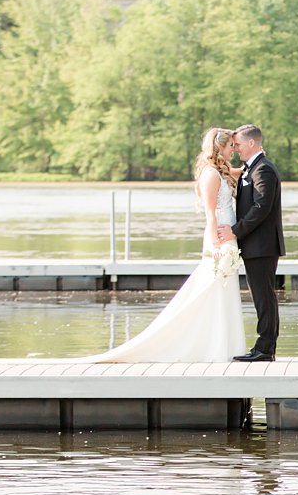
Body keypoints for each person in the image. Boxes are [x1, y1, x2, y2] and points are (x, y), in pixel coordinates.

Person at [86, 128, 247, 362]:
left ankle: (225, 345)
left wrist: (257, 157)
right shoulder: (210, 175)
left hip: (229, 236)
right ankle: (213, 347)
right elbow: (210, 215)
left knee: (224, 291)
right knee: (213, 290)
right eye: (231, 145)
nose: (234, 149)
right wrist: (216, 246)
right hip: (220, 238)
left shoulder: (220, 171)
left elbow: (243, 171)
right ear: (220, 147)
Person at [224, 123, 286, 362]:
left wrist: (234, 231)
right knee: (263, 296)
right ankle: (265, 347)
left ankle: (264, 349)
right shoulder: (252, 168)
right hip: (256, 246)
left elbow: (261, 207)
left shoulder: (264, 170)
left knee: (264, 297)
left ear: (251, 143)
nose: (236, 148)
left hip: (262, 246)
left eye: (238, 144)